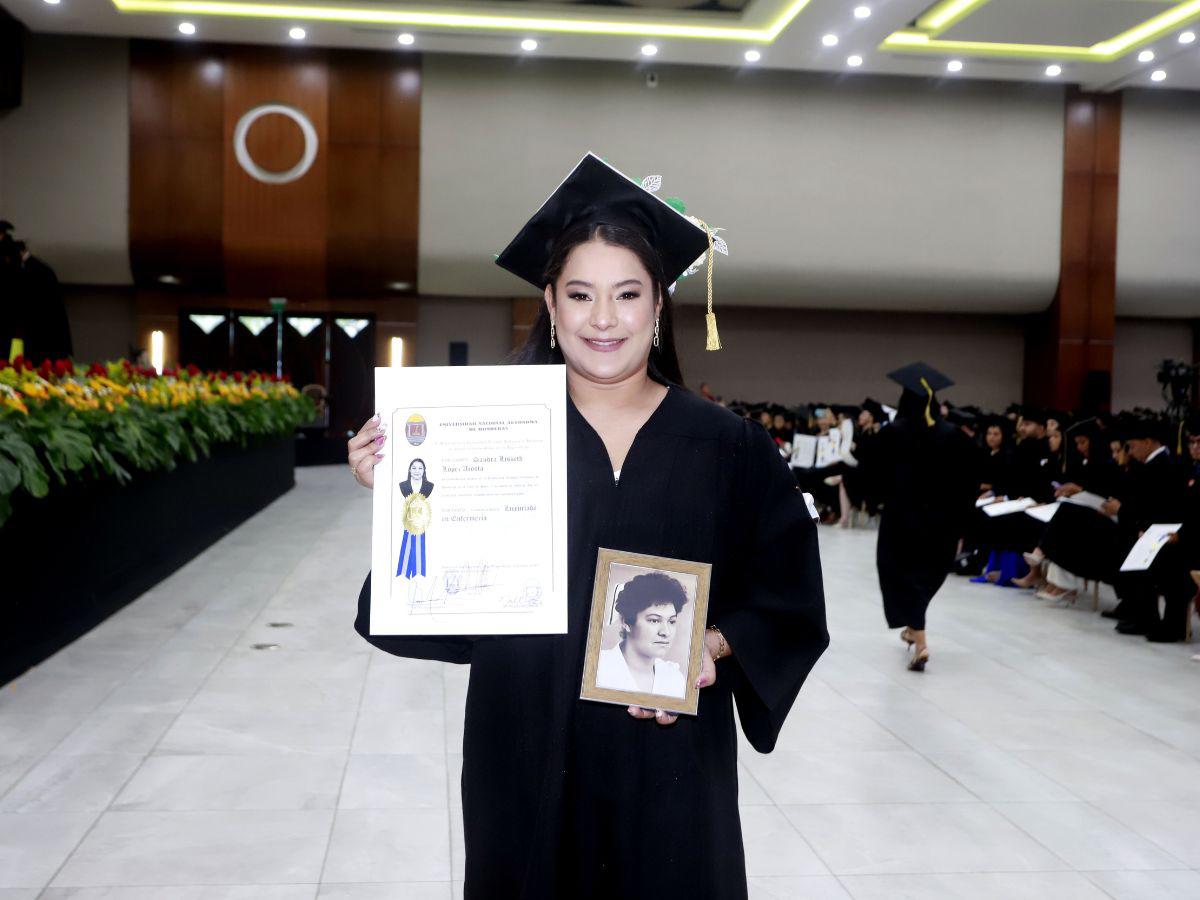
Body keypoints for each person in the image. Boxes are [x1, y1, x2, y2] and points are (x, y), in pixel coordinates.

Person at [346, 153, 829, 899]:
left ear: (659, 303)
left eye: (627, 294)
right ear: (550, 301)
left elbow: (788, 599)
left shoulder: (729, 447)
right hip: (523, 754)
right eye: (580, 295)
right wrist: (405, 506)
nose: (603, 319)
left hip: (670, 764)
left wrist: (711, 645)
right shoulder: (491, 431)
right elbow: (419, 611)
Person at [858, 362, 977, 671]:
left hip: (902, 521)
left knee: (903, 577)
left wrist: (876, 500)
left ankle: (920, 643)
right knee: (923, 580)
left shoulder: (892, 433)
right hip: (941, 524)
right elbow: (968, 483)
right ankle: (914, 629)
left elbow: (870, 473)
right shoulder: (953, 436)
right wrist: (962, 524)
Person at [595, 571, 688, 698]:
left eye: (671, 621)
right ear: (626, 622)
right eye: (654, 620)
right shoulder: (598, 668)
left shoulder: (675, 679)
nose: (666, 632)